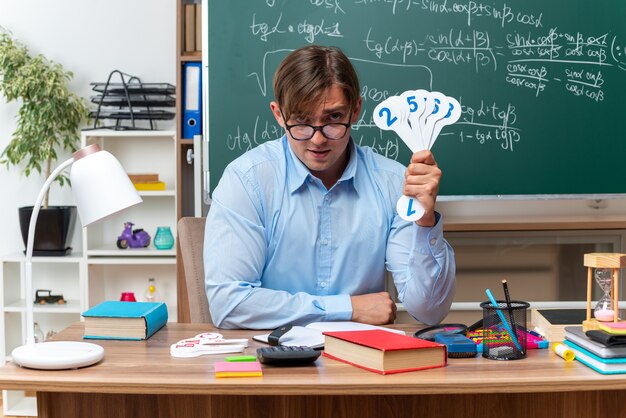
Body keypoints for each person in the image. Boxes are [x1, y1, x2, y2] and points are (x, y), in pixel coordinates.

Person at [204, 45, 455, 329]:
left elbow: (429, 311)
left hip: (362, 362)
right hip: (272, 360)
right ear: (278, 114)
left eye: (333, 119)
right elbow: (228, 304)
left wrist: (425, 220)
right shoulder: (247, 181)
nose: (318, 139)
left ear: (356, 110)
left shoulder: (394, 182)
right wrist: (348, 308)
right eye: (301, 121)